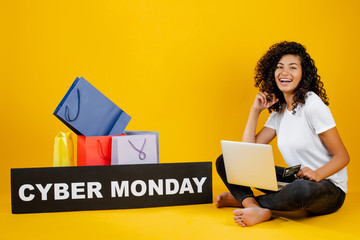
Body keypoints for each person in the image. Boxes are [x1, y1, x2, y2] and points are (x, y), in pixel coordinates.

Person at [215, 41, 350, 227]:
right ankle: (253, 205)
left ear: (303, 75)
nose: (285, 72)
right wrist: (255, 111)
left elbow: (342, 156)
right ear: (273, 73)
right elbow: (247, 154)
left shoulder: (313, 105)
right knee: (227, 160)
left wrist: (317, 174)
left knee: (301, 190)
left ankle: (245, 200)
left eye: (293, 67)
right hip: (296, 178)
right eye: (280, 67)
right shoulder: (280, 111)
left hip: (328, 188)